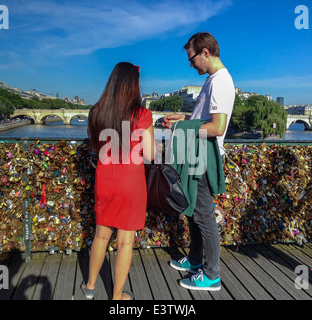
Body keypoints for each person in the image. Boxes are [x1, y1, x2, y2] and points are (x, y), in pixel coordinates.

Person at [163, 32, 235, 291]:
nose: (190, 64)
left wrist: (183, 125)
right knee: (193, 211)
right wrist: (183, 117)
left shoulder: (220, 82)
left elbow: (217, 127)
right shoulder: (212, 80)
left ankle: (212, 275)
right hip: (197, 152)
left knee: (203, 215)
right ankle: (195, 261)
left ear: (205, 52)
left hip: (206, 155)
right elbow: (204, 117)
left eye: (191, 58)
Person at [81, 62, 156, 300]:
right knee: (125, 242)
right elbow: (151, 154)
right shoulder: (142, 115)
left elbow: (95, 146)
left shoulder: (97, 112)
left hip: (105, 179)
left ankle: (90, 287)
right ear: (134, 85)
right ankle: (117, 297)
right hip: (131, 183)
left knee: (101, 235)